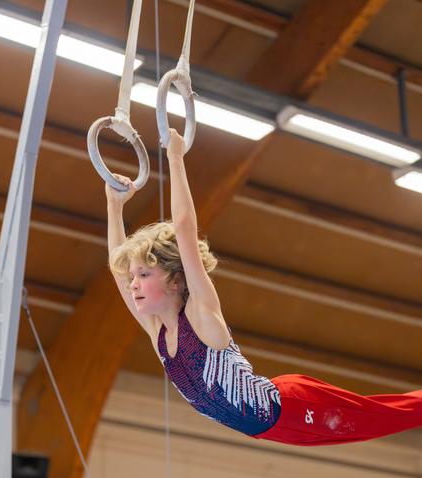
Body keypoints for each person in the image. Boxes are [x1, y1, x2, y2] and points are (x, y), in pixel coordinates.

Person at [105, 129, 422, 447]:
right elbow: (117, 275)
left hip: (295, 406)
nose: (133, 285)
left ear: (176, 280)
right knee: (379, 424)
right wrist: (114, 206)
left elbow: (185, 228)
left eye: (144, 274)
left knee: (389, 415)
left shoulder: (200, 314)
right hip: (274, 430)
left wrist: (175, 156)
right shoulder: (158, 332)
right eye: (134, 277)